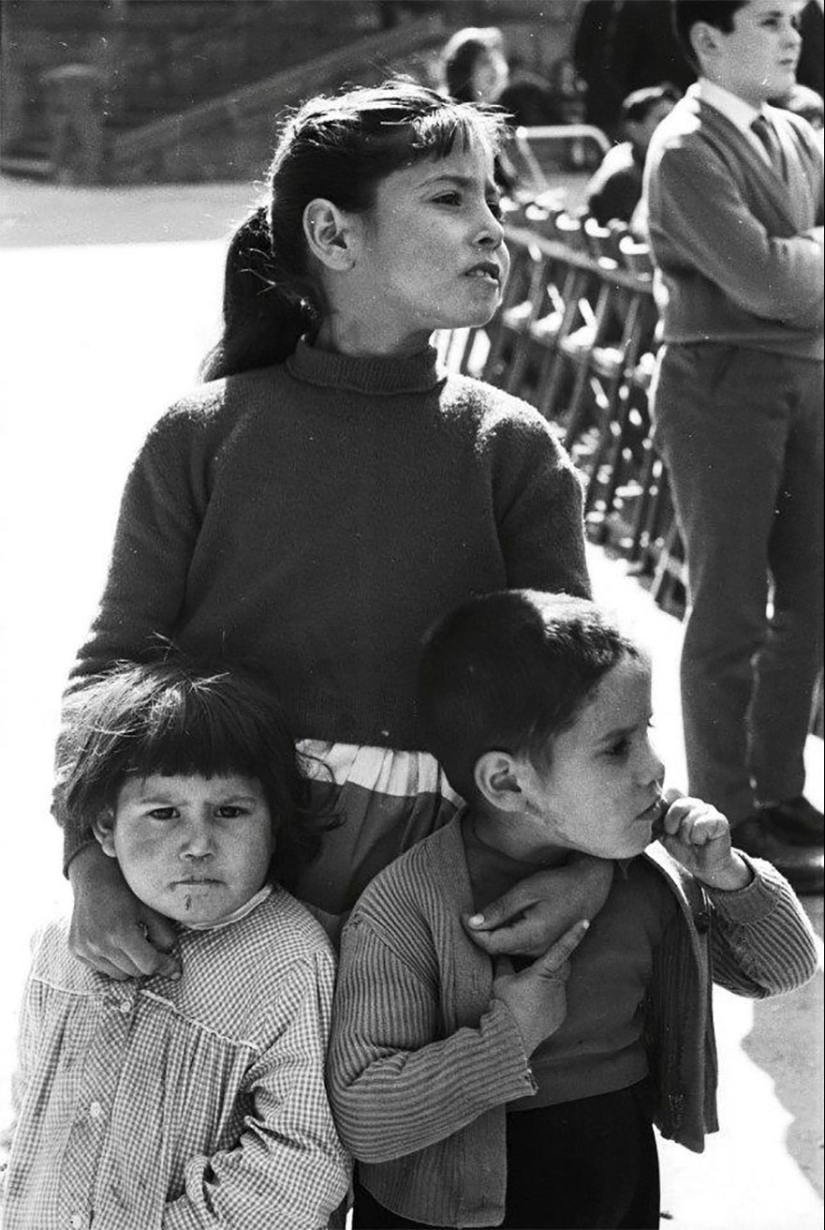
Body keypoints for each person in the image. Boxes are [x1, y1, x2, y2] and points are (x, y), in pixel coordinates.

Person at [57, 80, 597, 985]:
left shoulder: (510, 450)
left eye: (492, 201)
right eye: (449, 197)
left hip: (439, 907)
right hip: (218, 899)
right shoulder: (203, 434)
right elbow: (113, 671)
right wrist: (89, 865)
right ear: (333, 234)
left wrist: (588, 869)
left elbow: (580, 703)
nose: (492, 228)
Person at [327, 589, 818, 1230]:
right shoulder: (405, 911)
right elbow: (365, 1113)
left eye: (647, 733)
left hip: (619, 1182)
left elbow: (784, 970)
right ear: (507, 783)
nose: (655, 768)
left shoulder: (649, 877)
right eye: (616, 748)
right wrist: (508, 1038)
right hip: (464, 1212)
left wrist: (730, 878)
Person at [0, 656, 350, 1229]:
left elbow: (301, 1165)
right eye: (163, 813)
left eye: (230, 812)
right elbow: (29, 1112)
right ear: (105, 829)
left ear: (275, 823)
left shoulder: (291, 959)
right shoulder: (59, 944)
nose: (198, 843)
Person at [643, 0, 824, 893]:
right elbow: (761, 280)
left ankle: (780, 788)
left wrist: (794, 266)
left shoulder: (796, 133)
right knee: (728, 605)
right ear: (708, 41)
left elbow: (785, 281)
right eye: (767, 19)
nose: (791, 36)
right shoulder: (682, 147)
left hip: (806, 379)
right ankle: (727, 810)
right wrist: (795, 269)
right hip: (719, 386)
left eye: (795, 18)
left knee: (811, 591)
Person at [586, 84, 680, 225]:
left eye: (676, 119)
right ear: (633, 129)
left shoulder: (623, 154)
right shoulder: (626, 177)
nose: (674, 126)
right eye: (663, 120)